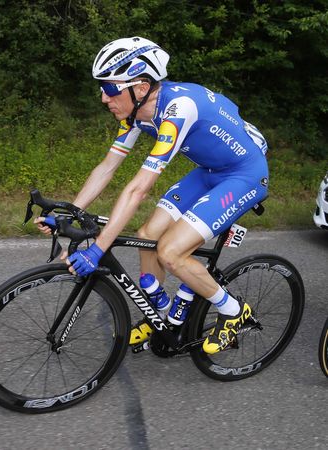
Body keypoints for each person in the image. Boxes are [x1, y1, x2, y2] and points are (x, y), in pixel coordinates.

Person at [35, 36, 269, 354]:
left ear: (141, 87)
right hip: (209, 171)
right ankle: (160, 314)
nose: (103, 97)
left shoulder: (178, 109)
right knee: (147, 236)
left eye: (110, 88)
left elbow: (138, 189)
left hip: (244, 175)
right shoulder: (134, 116)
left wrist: (98, 249)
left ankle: (232, 311)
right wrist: (70, 210)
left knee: (171, 252)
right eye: (101, 87)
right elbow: (107, 167)